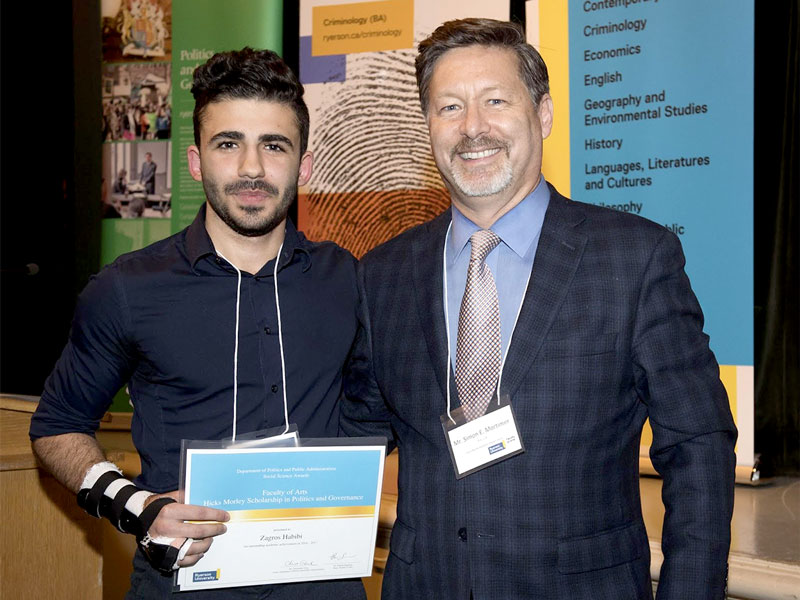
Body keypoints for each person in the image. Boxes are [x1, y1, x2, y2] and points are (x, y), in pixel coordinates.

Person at [340, 18, 736, 600]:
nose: (472, 128)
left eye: (495, 101)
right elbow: (355, 433)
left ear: (544, 114)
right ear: (429, 126)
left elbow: (698, 444)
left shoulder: (635, 258)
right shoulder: (383, 273)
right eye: (449, 107)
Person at [30, 47, 365, 599]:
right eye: (228, 143)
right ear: (195, 161)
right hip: (182, 587)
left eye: (274, 146)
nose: (252, 168)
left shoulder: (348, 281)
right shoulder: (127, 289)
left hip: (323, 583)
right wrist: (138, 506)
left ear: (305, 165)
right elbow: (56, 427)